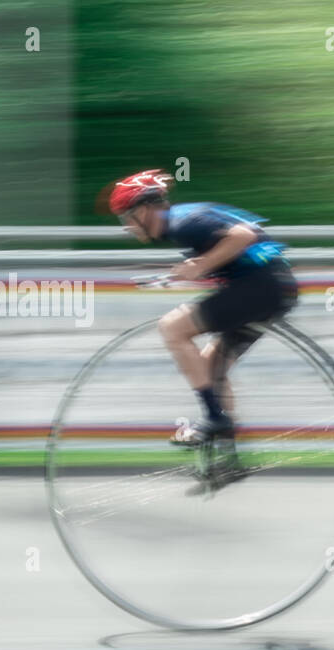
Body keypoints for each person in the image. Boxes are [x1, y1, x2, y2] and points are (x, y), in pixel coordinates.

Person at [108, 169, 298, 454]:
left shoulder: (181, 222)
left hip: (260, 288)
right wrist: (193, 269)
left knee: (172, 327)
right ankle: (227, 456)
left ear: (145, 209)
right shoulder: (184, 220)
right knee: (210, 369)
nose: (127, 226)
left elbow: (243, 236)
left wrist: (200, 265)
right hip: (275, 288)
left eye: (126, 217)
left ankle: (214, 419)